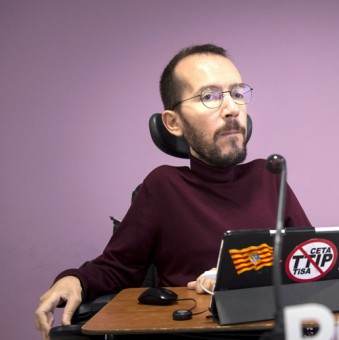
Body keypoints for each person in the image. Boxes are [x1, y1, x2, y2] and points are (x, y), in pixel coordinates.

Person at [34, 44, 311, 339]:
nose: (231, 109)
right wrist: (74, 280)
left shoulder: (269, 176)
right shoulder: (163, 186)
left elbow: (313, 265)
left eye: (237, 93)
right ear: (173, 123)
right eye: (210, 96)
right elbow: (117, 267)